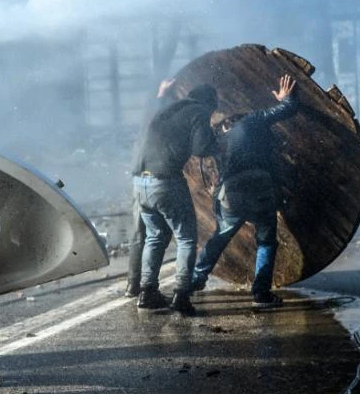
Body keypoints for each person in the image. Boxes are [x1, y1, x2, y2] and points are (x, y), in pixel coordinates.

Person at [190, 74, 298, 309]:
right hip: (260, 188)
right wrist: (285, 98)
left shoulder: (218, 140)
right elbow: (289, 108)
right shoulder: (254, 120)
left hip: (233, 193)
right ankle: (261, 293)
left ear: (226, 121)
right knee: (266, 240)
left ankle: (196, 279)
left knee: (221, 236)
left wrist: (217, 206)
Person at [133, 83, 219, 315]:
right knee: (187, 239)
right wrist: (220, 140)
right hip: (166, 181)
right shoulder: (199, 111)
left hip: (140, 182)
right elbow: (202, 148)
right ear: (209, 104)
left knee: (155, 236)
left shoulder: (168, 109)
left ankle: (147, 292)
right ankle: (181, 295)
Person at [124, 79, 177, 298]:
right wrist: (162, 95)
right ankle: (143, 287)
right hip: (148, 178)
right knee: (156, 234)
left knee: (142, 234)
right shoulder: (155, 121)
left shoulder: (146, 124)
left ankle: (134, 285)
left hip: (139, 179)